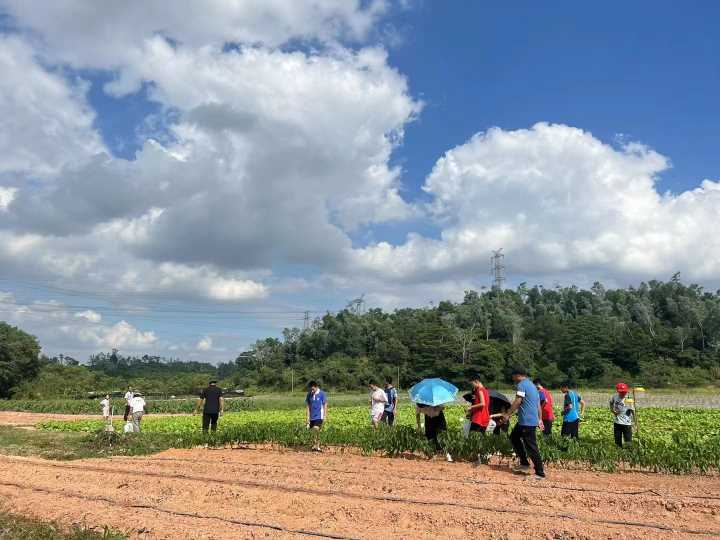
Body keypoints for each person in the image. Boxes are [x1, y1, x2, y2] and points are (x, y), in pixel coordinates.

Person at [501, 366, 545, 480]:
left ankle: (540, 473)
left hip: (527, 420)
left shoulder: (521, 385)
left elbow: (518, 401)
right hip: (527, 420)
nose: (513, 378)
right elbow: (538, 405)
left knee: (531, 446)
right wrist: (539, 419)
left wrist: (508, 414)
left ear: (517, 375)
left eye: (513, 376)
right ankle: (525, 464)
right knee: (514, 437)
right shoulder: (532, 386)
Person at [610, 382, 634, 447]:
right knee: (617, 441)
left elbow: (633, 410)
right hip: (617, 422)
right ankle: (619, 453)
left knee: (628, 441)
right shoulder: (614, 397)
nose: (623, 393)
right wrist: (612, 410)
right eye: (621, 392)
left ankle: (628, 454)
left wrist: (634, 421)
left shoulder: (629, 399)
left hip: (627, 423)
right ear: (618, 391)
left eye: (624, 392)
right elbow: (611, 402)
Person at [305, 381, 327, 451]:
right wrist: (307, 418)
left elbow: (325, 405)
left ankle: (317, 446)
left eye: (313, 389)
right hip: (312, 416)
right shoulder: (309, 395)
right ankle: (315, 445)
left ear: (316, 387)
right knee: (313, 431)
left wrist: (325, 416)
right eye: (311, 389)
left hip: (319, 416)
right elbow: (308, 407)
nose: (312, 390)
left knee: (316, 428)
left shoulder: (322, 394)